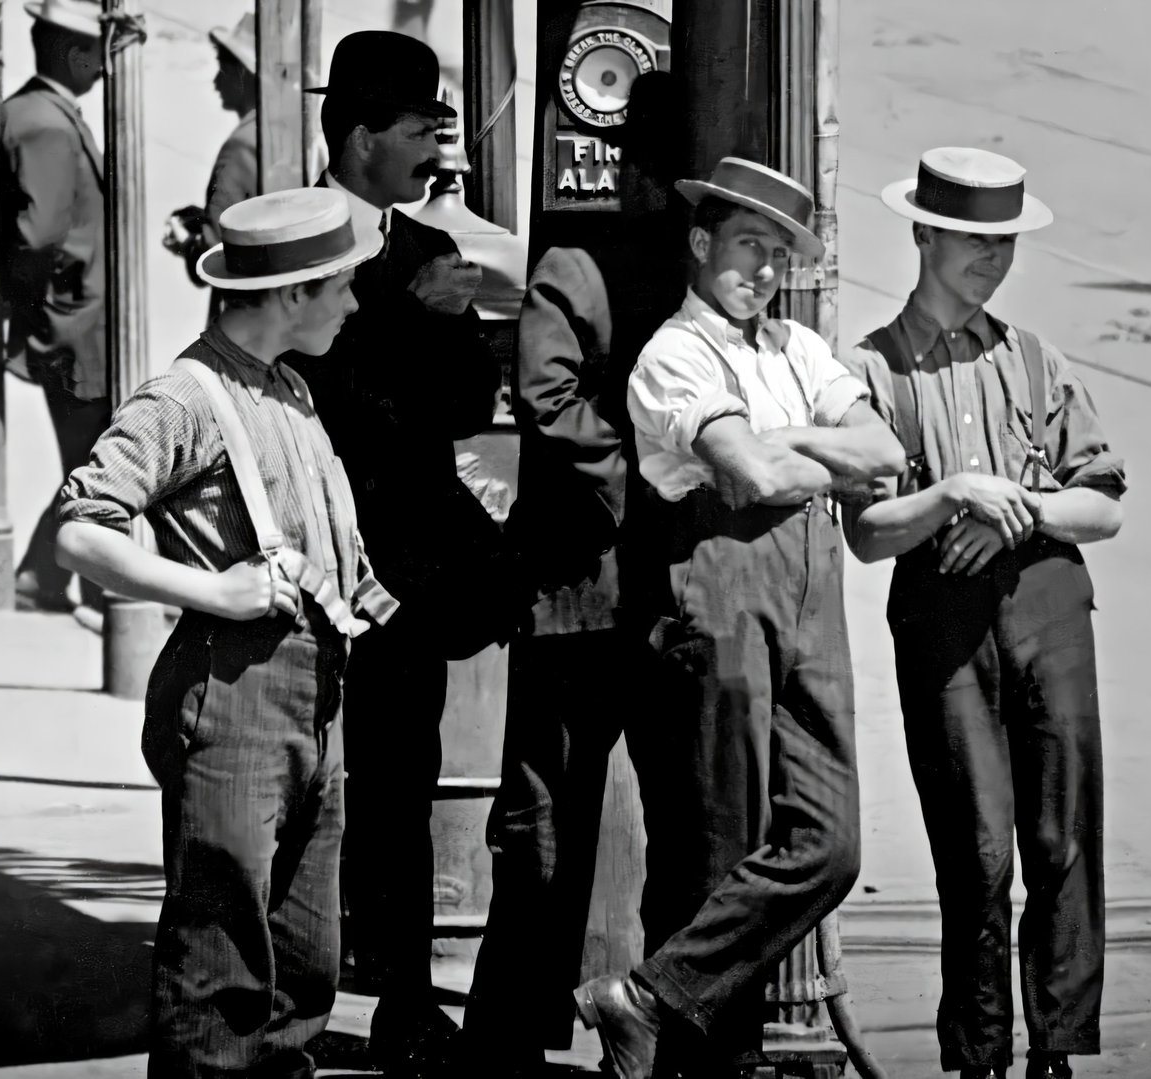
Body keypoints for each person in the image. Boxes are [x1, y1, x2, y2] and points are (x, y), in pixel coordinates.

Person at [573, 158, 905, 1078]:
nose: (761, 269)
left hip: (812, 594)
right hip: (718, 589)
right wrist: (807, 450)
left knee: (830, 843)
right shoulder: (673, 354)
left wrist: (786, 441)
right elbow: (749, 475)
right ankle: (697, 1058)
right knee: (717, 837)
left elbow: (886, 455)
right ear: (700, 243)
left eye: (777, 252)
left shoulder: (800, 347)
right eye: (747, 246)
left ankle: (642, 997)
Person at [56, 186, 391, 1078]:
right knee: (220, 959)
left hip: (315, 692)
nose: (354, 304)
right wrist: (216, 589)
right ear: (293, 292)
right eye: (344, 286)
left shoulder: (287, 386)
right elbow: (81, 529)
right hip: (233, 687)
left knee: (303, 961)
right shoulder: (187, 394)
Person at [840, 147, 1125, 1079]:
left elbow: (1106, 503)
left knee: (1063, 833)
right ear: (923, 232)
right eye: (970, 240)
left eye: (1003, 242)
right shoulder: (873, 370)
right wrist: (954, 497)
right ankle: (977, 1052)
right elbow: (871, 533)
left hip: (1049, 607)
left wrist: (1019, 513)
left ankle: (1057, 1045)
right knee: (974, 847)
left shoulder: (1037, 360)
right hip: (944, 626)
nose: (990, 260)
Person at [285, 30, 506, 1078]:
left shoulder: (427, 255)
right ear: (363, 135)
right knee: (299, 789)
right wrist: (412, 330)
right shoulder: (290, 243)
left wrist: (456, 329)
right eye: (420, 133)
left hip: (406, 580)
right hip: (302, 575)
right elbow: (309, 398)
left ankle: (405, 1003)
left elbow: (460, 414)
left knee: (399, 785)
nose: (434, 155)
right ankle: (291, 996)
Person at [460, 71, 689, 1077]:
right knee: (545, 821)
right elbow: (548, 398)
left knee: (686, 818)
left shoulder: (700, 273)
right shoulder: (577, 264)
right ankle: (509, 1035)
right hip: (579, 589)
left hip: (664, 590)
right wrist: (642, 475)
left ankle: (662, 1021)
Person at [0, 0, 105, 614]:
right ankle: (47, 579)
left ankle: (52, 577)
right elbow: (37, 236)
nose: (106, 69)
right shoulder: (46, 124)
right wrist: (42, 307)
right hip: (75, 329)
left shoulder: (40, 113)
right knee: (96, 465)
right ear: (72, 53)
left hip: (72, 322)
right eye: (97, 56)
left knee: (90, 462)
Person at [163, 11, 258, 326]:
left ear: (243, 75)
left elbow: (215, 255)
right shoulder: (281, 134)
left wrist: (185, 243)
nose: (216, 81)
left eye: (223, 69)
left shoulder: (241, 146)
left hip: (242, 319)